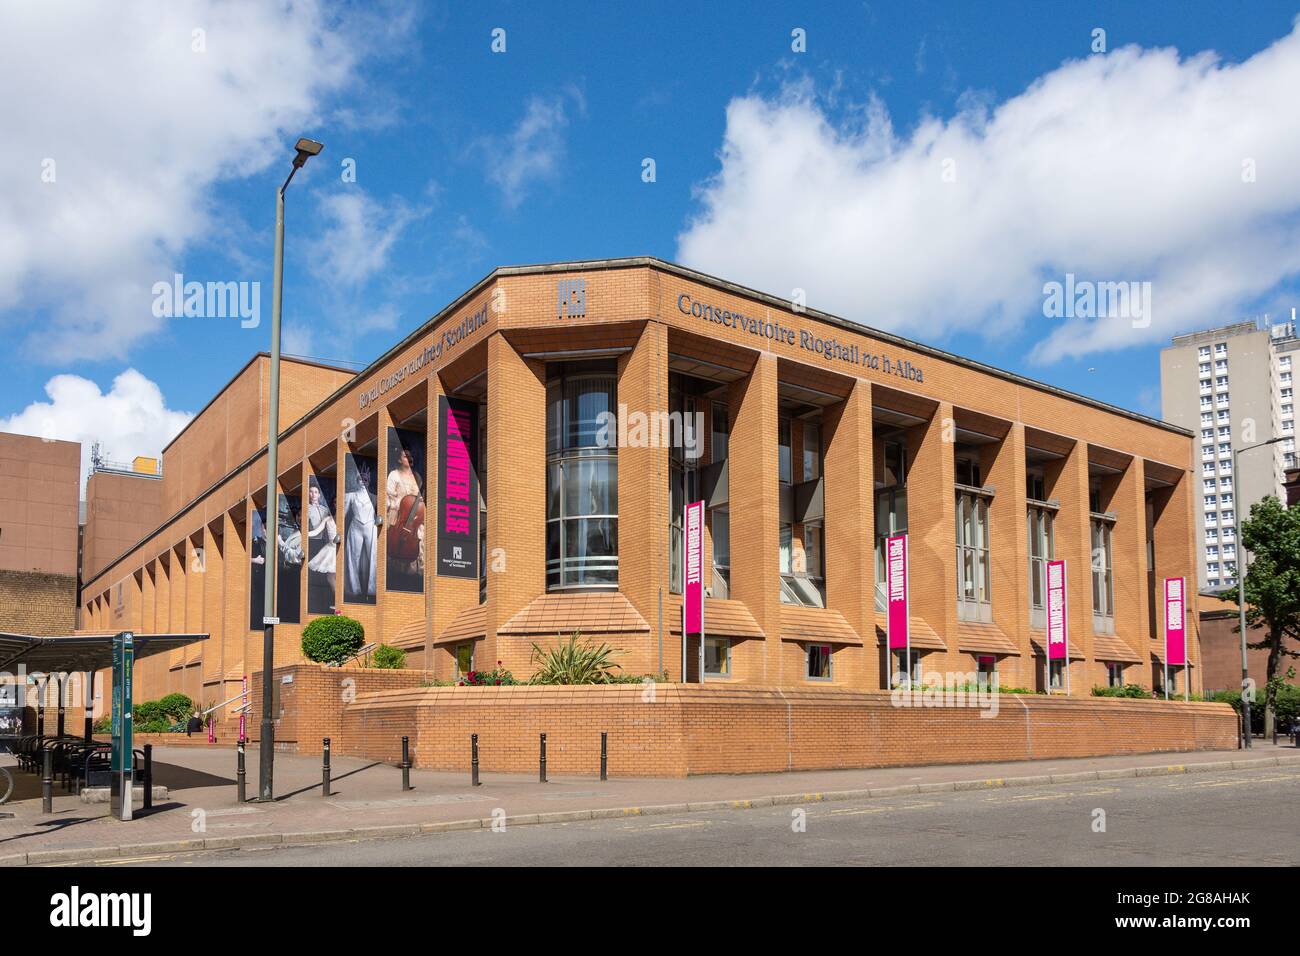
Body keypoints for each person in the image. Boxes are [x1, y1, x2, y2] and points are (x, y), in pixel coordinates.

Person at [386, 443, 424, 582]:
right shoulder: (394, 475)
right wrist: (399, 506)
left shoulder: (417, 476)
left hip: (414, 516)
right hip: (399, 513)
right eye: (405, 456)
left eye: (410, 456)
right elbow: (389, 496)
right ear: (399, 460)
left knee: (420, 538)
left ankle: (415, 575)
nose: (409, 458)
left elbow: (419, 496)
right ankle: (397, 576)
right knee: (396, 540)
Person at [344, 459, 378, 602]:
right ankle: (354, 588)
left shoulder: (374, 498)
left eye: (365, 479)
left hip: (370, 526)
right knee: (353, 557)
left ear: (368, 480)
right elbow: (344, 514)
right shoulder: (351, 496)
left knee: (373, 557)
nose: (363, 482)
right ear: (357, 481)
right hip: (356, 527)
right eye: (360, 479)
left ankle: (372, 588)